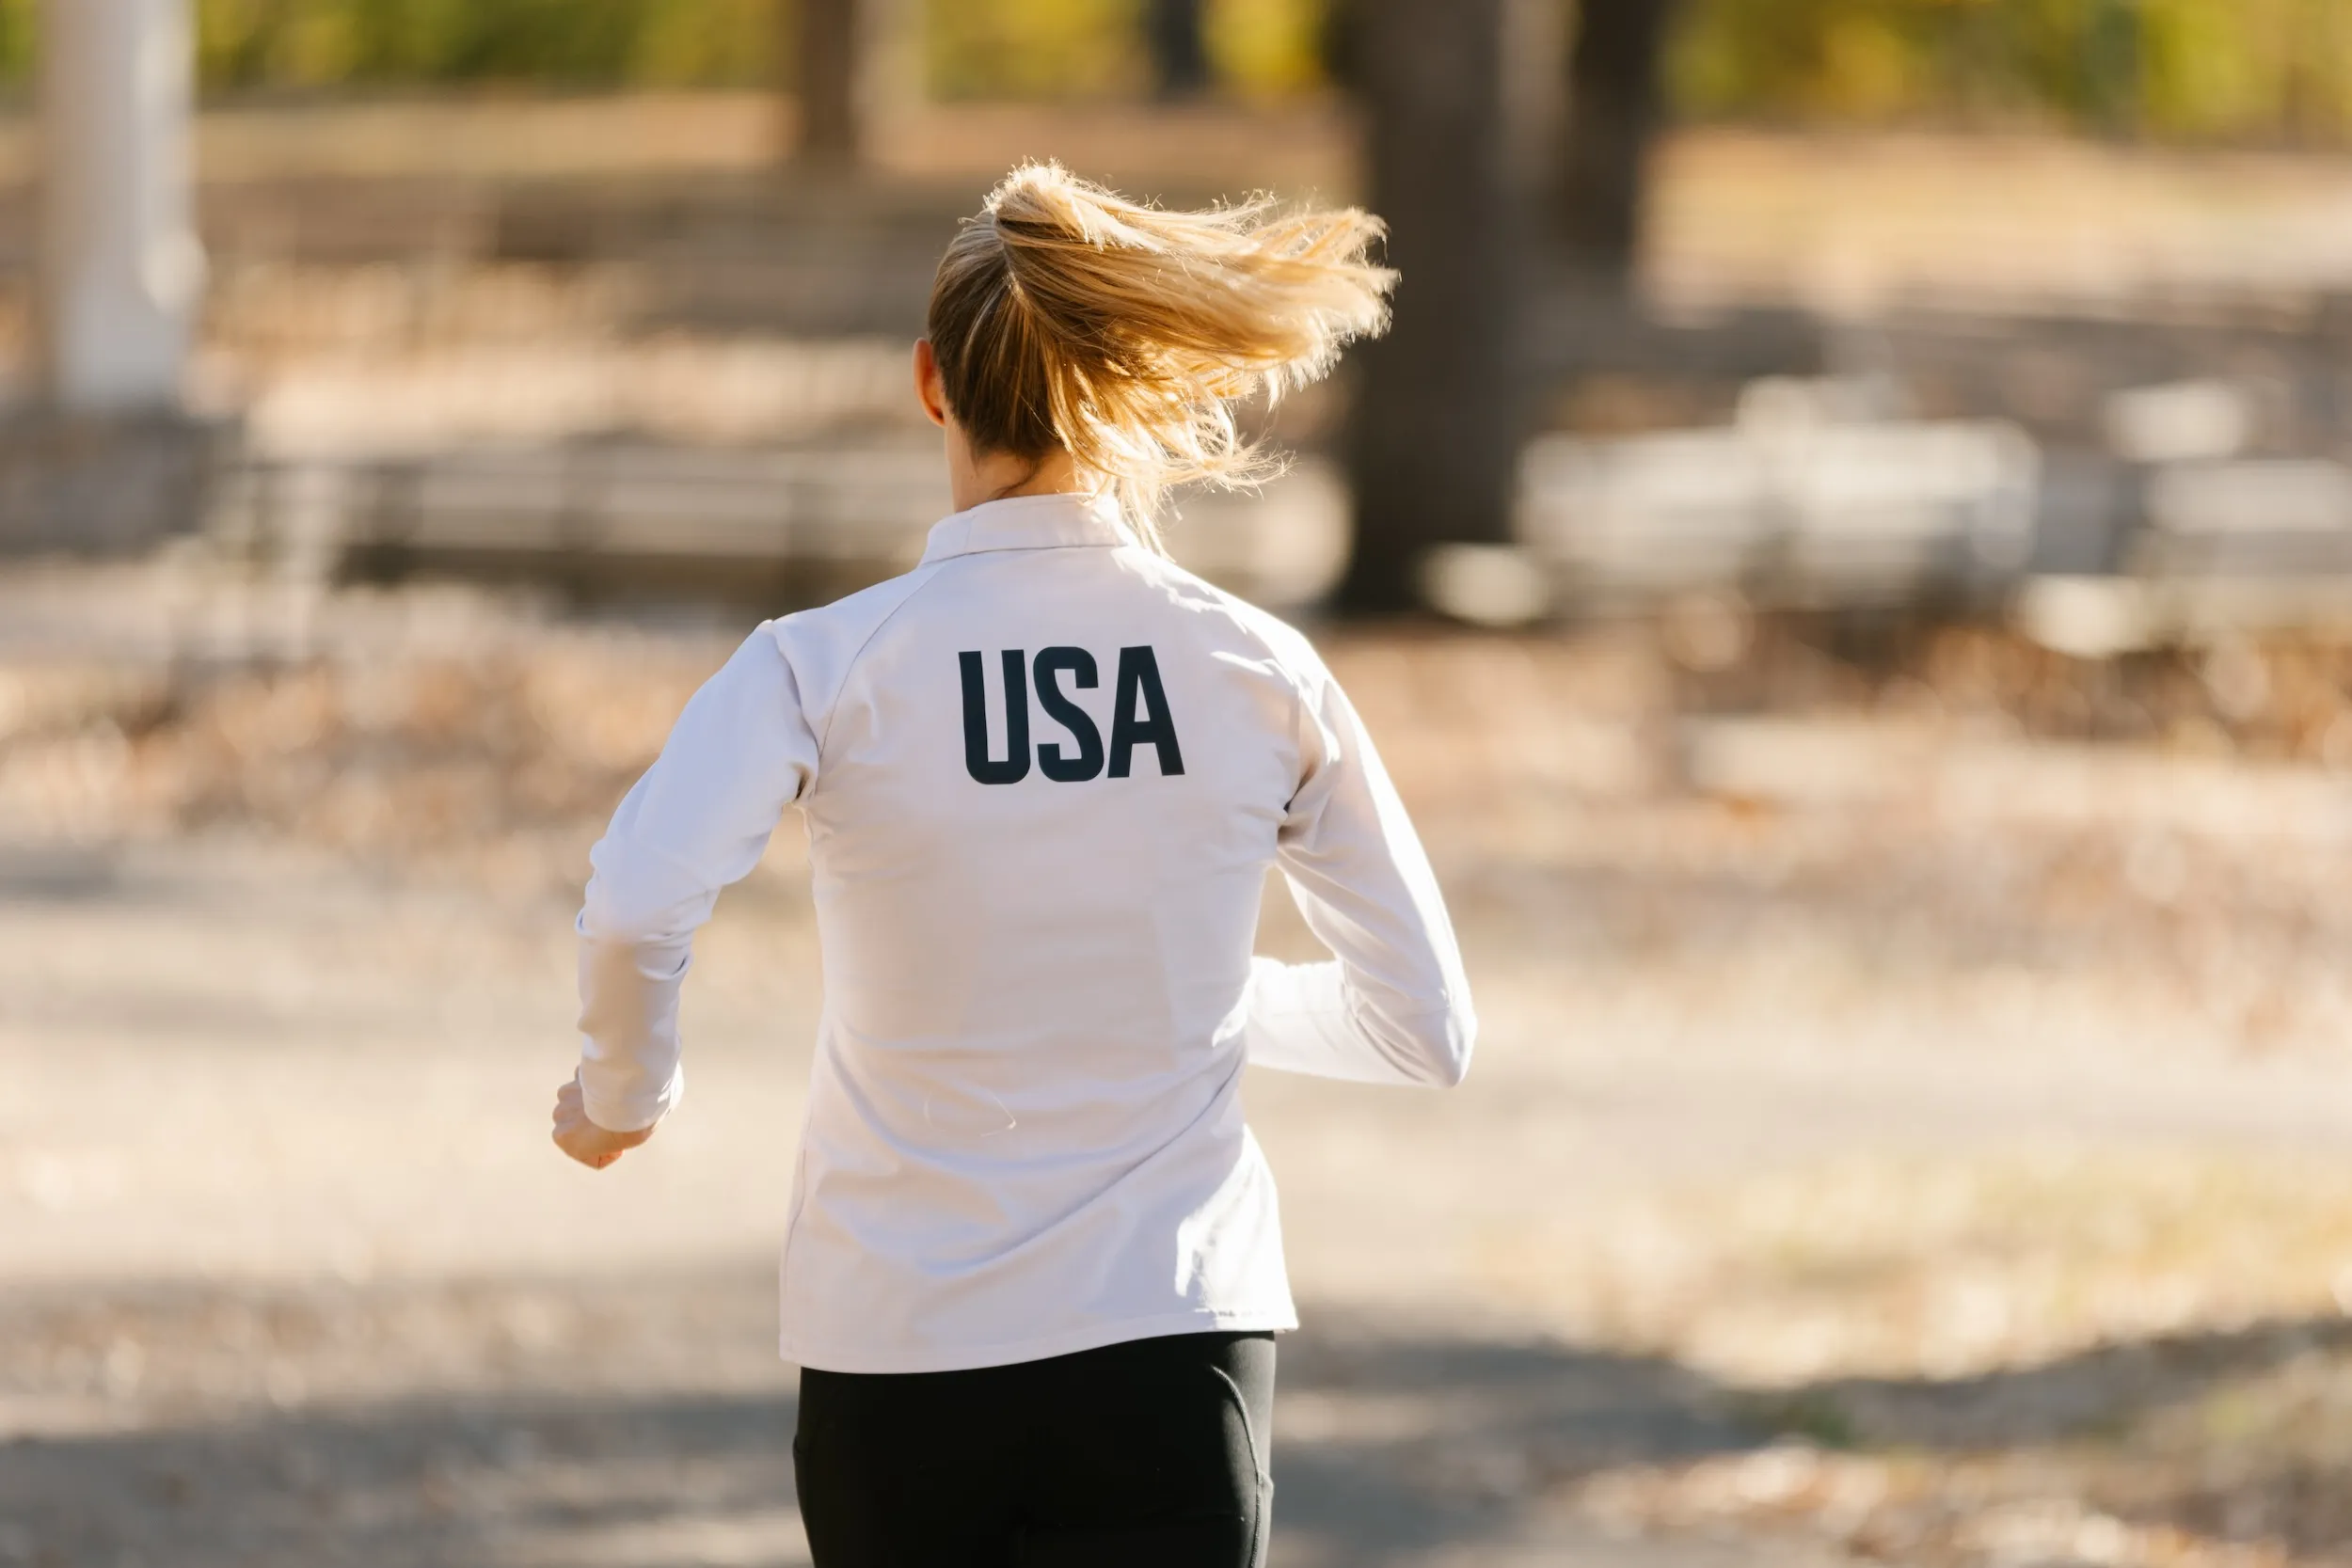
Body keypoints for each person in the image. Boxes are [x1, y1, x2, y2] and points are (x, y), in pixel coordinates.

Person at [548, 162, 1475, 1568]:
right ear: (1127, 381)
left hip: (898, 1346)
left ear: (932, 382)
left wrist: (624, 1090)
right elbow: (1427, 1028)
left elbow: (636, 900)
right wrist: (1196, 992)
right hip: (1176, 1340)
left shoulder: (820, 664)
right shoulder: (1255, 668)